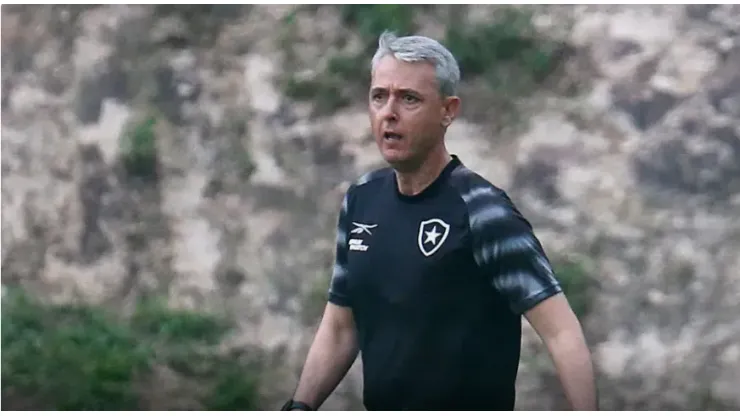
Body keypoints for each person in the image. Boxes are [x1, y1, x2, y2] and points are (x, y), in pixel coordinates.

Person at [281, 31, 598, 411]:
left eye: (409, 99)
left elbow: (561, 331)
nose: (389, 113)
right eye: (379, 96)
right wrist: (299, 406)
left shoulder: (483, 211)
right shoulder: (361, 200)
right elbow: (340, 326)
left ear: (448, 111)